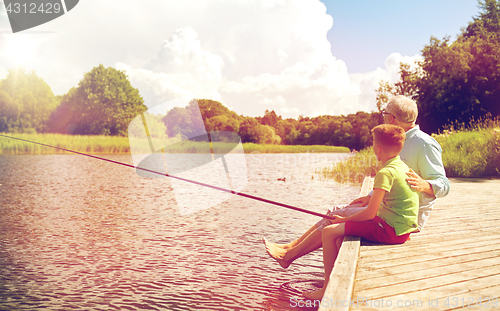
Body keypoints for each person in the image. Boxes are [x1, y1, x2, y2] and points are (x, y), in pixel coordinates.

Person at [263, 95, 450, 269]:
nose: (382, 117)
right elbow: (393, 180)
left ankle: (290, 256)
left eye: (384, 113)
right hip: (388, 207)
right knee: (333, 211)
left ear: (392, 118)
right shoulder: (396, 138)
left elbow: (444, 185)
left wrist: (424, 185)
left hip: (403, 218)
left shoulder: (424, 144)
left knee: (337, 215)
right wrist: (370, 196)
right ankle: (290, 249)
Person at [301, 124, 419, 299]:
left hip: (390, 230)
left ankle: (326, 289)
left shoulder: (385, 173)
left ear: (377, 148)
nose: (372, 146)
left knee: (328, 232)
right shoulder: (402, 166)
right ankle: (334, 279)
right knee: (339, 234)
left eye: (373, 142)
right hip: (401, 229)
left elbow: (369, 214)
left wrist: (341, 220)